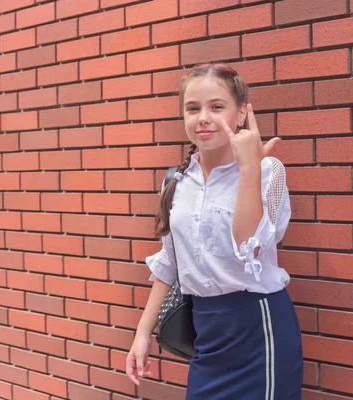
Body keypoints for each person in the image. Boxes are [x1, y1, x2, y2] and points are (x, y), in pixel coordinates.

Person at [125, 62, 303, 399]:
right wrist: (142, 333)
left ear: (241, 114)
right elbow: (169, 265)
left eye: (217, 106)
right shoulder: (175, 182)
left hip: (258, 328)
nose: (203, 117)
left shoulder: (268, 171)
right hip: (207, 335)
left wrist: (249, 169)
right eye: (193, 108)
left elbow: (248, 248)